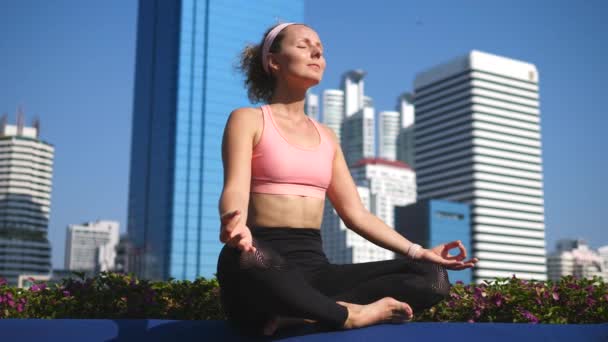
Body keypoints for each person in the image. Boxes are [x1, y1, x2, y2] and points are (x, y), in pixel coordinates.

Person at [216, 22, 478, 337]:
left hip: (317, 272)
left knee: (431, 274)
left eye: (321, 49)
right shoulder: (248, 120)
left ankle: (309, 315)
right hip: (264, 262)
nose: (316, 52)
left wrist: (418, 251)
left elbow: (356, 215)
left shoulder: (327, 137)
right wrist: (236, 225)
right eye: (303, 45)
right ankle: (346, 315)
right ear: (273, 61)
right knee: (246, 257)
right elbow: (234, 189)